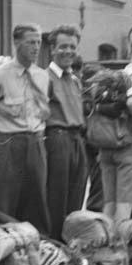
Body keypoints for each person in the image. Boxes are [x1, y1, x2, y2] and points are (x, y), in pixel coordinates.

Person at [0, 23, 49, 233]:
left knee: (36, 203)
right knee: (2, 203)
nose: (36, 47)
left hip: (35, 143)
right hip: (6, 144)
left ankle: (35, 255)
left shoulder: (42, 76)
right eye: (30, 42)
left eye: (38, 42)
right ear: (17, 43)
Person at [98, 39, 132, 222]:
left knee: (109, 203)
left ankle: (104, 244)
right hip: (127, 145)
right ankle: (119, 247)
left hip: (106, 142)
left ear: (129, 52)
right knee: (124, 203)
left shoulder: (118, 74)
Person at [44, 25, 87, 241]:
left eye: (72, 47)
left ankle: (70, 246)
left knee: (76, 197)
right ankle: (54, 246)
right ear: (52, 49)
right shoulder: (44, 78)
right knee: (56, 198)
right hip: (57, 138)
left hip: (76, 139)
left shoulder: (75, 80)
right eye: (62, 46)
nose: (68, 51)